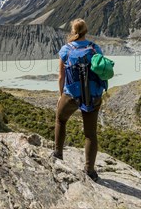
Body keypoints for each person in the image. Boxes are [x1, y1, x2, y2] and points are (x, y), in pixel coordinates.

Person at [53, 18, 105, 182]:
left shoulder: (66, 50)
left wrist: (62, 95)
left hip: (72, 95)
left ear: (73, 31)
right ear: (85, 30)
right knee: (90, 134)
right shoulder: (94, 48)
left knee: (61, 120)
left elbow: (61, 76)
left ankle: (57, 155)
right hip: (93, 95)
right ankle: (90, 170)